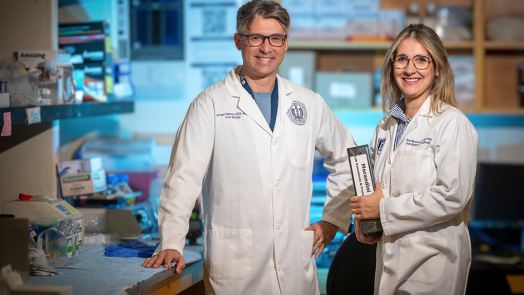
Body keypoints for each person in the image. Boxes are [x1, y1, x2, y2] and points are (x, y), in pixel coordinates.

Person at [142, 1, 357, 294]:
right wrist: (170, 243)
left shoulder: (308, 103)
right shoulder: (210, 105)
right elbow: (183, 178)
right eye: (256, 38)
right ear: (238, 40)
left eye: (275, 39)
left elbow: (349, 159)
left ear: (286, 43)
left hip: (295, 269)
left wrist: (333, 220)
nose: (266, 48)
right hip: (236, 270)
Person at [350, 24, 478, 295]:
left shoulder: (451, 122)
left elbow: (451, 196)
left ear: (437, 68)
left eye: (421, 60)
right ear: (392, 65)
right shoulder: (385, 126)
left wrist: (382, 211)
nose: (410, 69)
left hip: (431, 265)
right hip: (389, 262)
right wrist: (366, 223)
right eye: (402, 59)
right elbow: (378, 190)